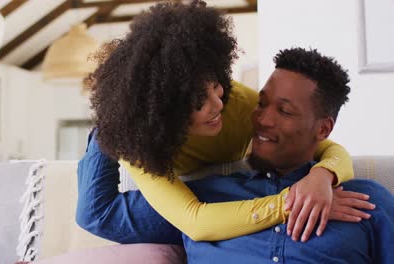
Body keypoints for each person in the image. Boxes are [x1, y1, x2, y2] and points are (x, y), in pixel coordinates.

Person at [77, 48, 394, 263]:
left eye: (283, 110)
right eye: (262, 104)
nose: (261, 119)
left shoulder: (366, 201)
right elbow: (98, 214)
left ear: (323, 129)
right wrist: (118, 114)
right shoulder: (201, 197)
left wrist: (323, 175)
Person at [84, 0, 354, 242]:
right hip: (129, 129)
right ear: (168, 111)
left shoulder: (238, 102)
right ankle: (105, 128)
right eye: (199, 102)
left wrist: (322, 176)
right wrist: (290, 204)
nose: (217, 105)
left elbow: (328, 148)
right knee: (93, 215)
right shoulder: (139, 143)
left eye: (216, 86)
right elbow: (195, 222)